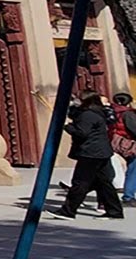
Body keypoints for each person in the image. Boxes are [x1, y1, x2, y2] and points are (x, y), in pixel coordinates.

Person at [49, 91, 124, 220]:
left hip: (91, 153)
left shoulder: (87, 115)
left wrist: (67, 127)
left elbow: (82, 133)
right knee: (104, 183)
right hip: (101, 152)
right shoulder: (97, 112)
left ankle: (68, 211)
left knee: (80, 183)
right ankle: (114, 211)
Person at [111, 93, 136, 206]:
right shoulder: (128, 114)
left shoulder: (113, 111)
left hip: (116, 141)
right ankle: (128, 196)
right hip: (128, 143)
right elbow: (134, 129)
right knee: (133, 168)